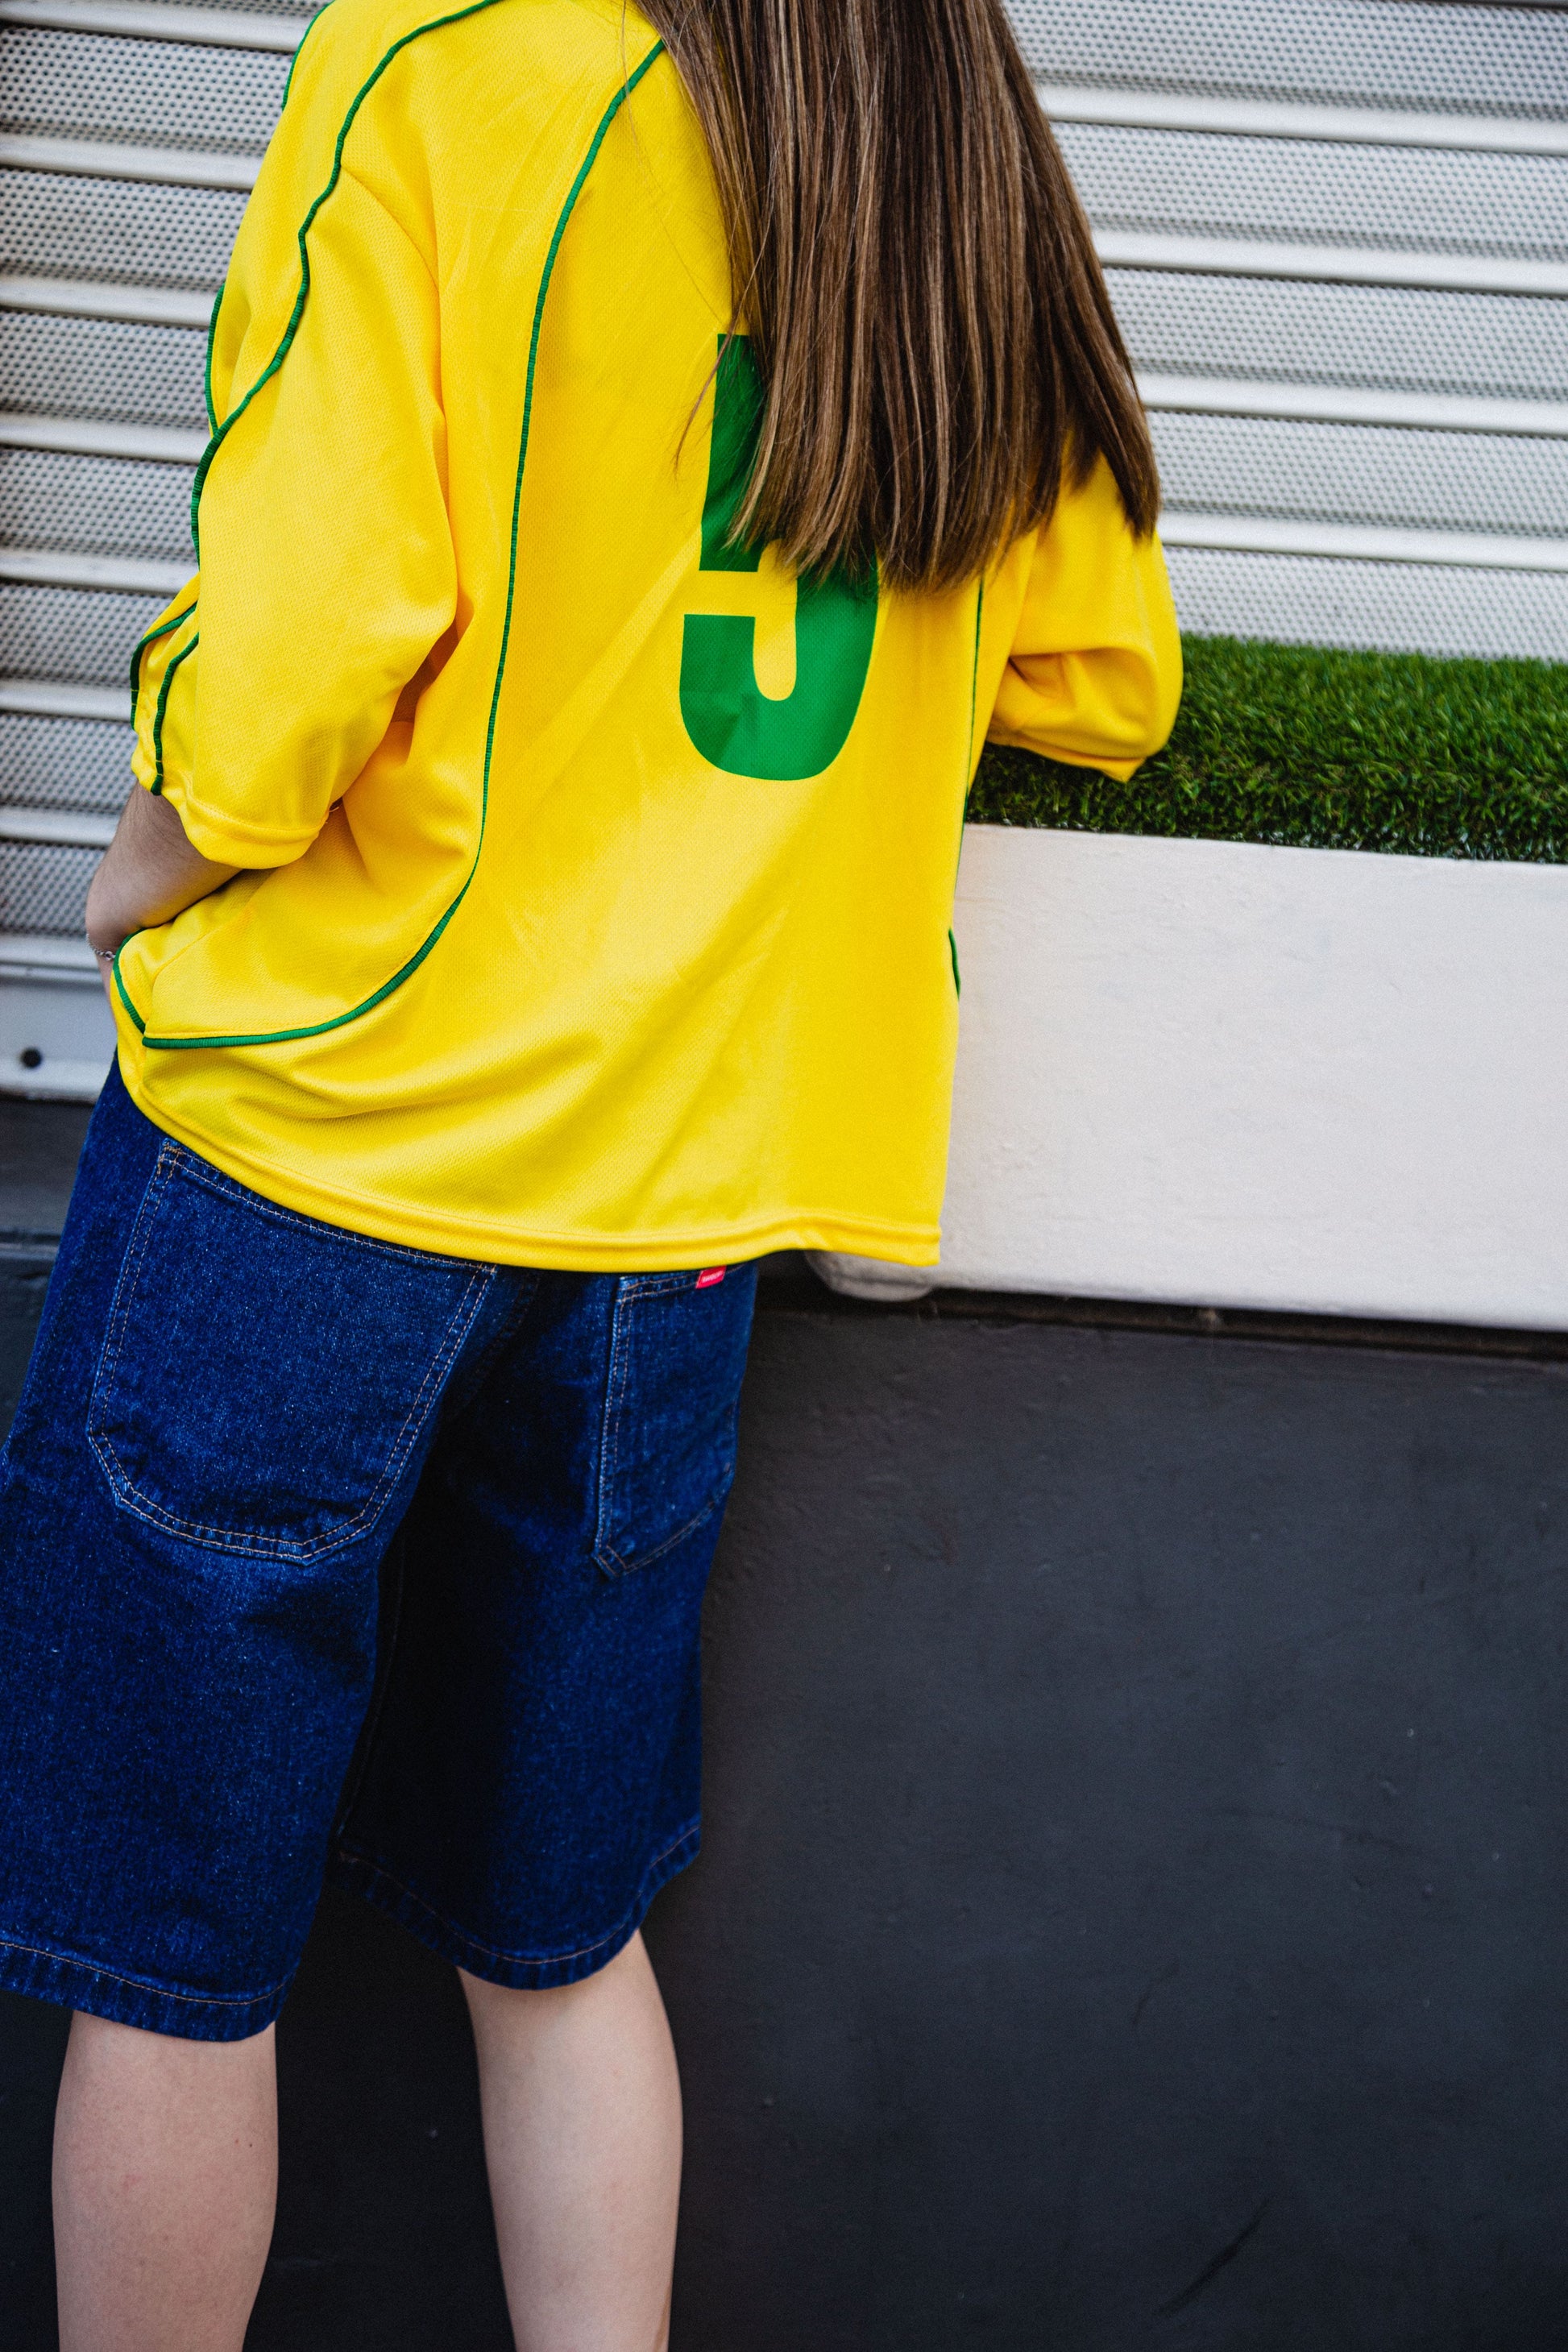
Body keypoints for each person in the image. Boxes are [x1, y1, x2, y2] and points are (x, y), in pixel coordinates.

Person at [0, 0, 1180, 2340]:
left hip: (316, 1163)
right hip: (679, 1216)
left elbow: (302, 651)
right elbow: (1096, 674)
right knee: (559, 1941)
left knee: (169, 1957)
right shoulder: (932, 99)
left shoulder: (438, 58)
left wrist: (144, 862)